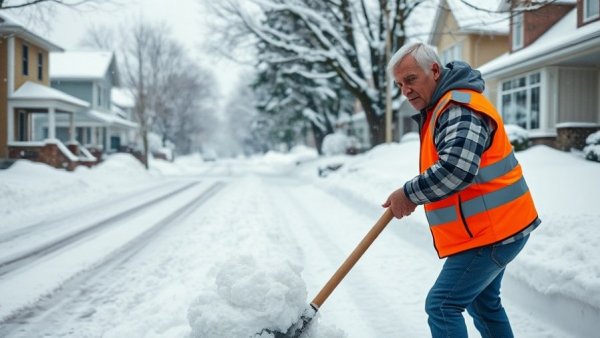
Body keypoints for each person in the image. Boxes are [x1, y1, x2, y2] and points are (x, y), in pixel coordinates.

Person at [382, 42, 541, 337]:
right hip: (497, 227)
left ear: (434, 70)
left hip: (493, 233)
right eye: (400, 84)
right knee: (484, 304)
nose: (405, 90)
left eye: (411, 79)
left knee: (442, 305)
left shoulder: (458, 107)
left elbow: (457, 169)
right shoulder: (443, 106)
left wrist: (407, 194)